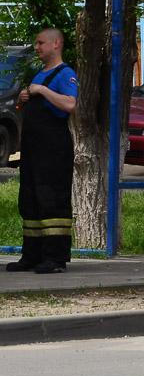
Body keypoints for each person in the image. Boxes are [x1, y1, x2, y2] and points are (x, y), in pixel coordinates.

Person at [7, 28, 77, 274]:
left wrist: (42, 91)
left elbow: (70, 104)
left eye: (40, 43)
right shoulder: (39, 73)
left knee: (52, 201)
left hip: (54, 152)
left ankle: (55, 258)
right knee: (30, 201)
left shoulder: (65, 73)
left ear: (56, 43)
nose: (36, 47)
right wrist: (27, 95)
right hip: (33, 152)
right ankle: (32, 255)